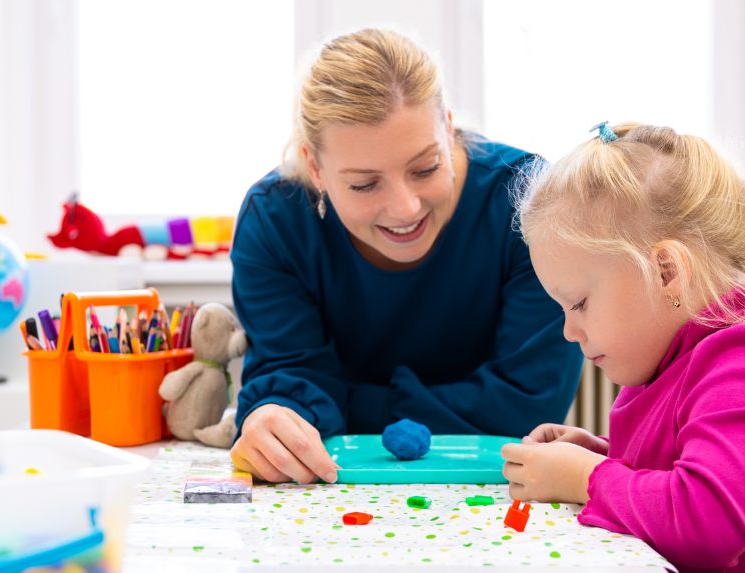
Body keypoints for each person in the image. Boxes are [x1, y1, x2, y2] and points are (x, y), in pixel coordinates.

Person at [229, 28, 583, 485]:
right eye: (364, 184)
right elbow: (290, 382)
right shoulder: (275, 222)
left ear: (448, 128)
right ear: (315, 168)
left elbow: (527, 406)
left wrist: (342, 404)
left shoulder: (531, 203)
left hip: (498, 487)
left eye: (426, 167)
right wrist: (275, 419)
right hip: (336, 492)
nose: (406, 208)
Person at [504, 122, 745, 573]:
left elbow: (711, 520)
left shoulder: (744, 359)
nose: (569, 331)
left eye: (580, 303)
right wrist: (602, 455)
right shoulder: (676, 352)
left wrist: (587, 479)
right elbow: (681, 467)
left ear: (667, 272)